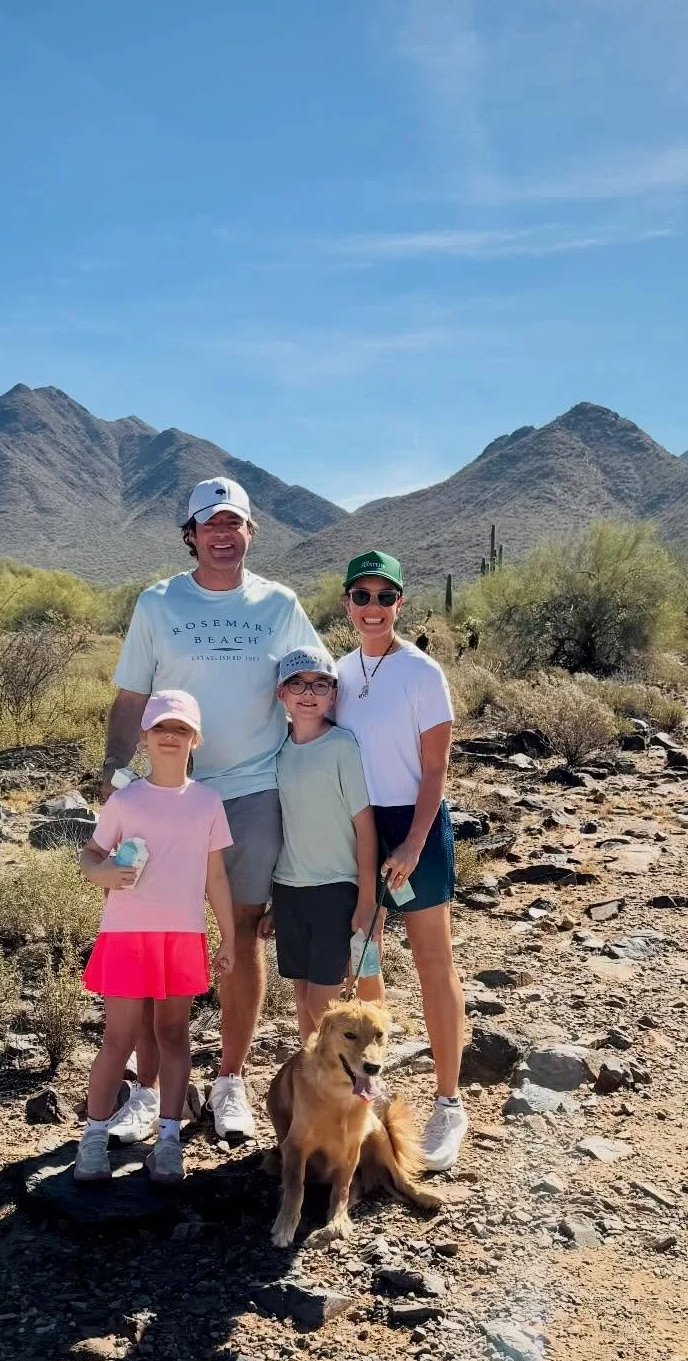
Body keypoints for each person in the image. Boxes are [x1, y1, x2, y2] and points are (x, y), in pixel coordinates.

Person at [99, 476, 323, 1145]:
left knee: (245, 932)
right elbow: (132, 698)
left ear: (251, 533)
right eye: (211, 524)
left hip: (254, 788)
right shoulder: (159, 602)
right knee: (150, 936)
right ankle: (146, 1091)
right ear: (191, 534)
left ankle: (229, 1082)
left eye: (236, 524)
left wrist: (326, 776)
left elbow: (317, 682)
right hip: (169, 793)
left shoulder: (279, 604)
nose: (224, 535)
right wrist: (113, 778)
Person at [332, 550, 468, 1170]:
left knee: (432, 959)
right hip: (362, 827)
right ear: (347, 604)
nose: (372, 608)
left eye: (384, 597)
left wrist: (413, 842)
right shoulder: (340, 671)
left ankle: (448, 1102)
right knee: (366, 957)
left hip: (415, 822)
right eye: (361, 597)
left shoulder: (421, 672)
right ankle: (372, 1089)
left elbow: (435, 768)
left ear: (400, 604)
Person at [77, 690, 235, 1185]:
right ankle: (93, 1140)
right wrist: (101, 873)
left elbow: (216, 879)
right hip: (126, 935)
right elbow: (91, 854)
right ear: (144, 736)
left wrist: (228, 937)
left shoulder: (208, 802)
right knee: (118, 1039)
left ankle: (168, 1142)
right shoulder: (125, 800)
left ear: (196, 740)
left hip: (182, 937)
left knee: (173, 1035)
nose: (171, 737)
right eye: (161, 728)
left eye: (181, 729)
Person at [260, 645, 378, 1045]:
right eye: (297, 683)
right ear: (281, 693)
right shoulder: (277, 752)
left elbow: (365, 827)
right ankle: (320, 1089)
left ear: (333, 694)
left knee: (322, 1004)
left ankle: (358, 1083)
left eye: (320, 684)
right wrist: (275, 904)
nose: (308, 692)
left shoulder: (342, 746)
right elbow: (284, 826)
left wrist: (366, 899)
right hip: (290, 889)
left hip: (336, 889)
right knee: (302, 996)